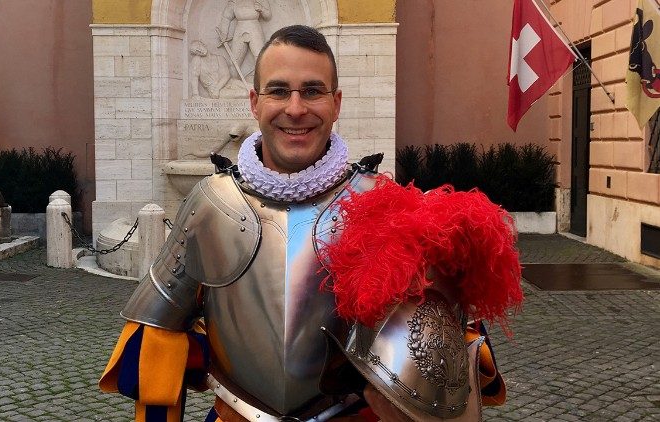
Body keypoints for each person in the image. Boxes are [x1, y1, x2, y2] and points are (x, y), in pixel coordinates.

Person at [99, 25, 520, 422]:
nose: (295, 109)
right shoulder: (211, 202)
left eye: (313, 92)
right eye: (279, 91)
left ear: (336, 103)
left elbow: (444, 354)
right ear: (255, 102)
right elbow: (155, 346)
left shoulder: (384, 204)